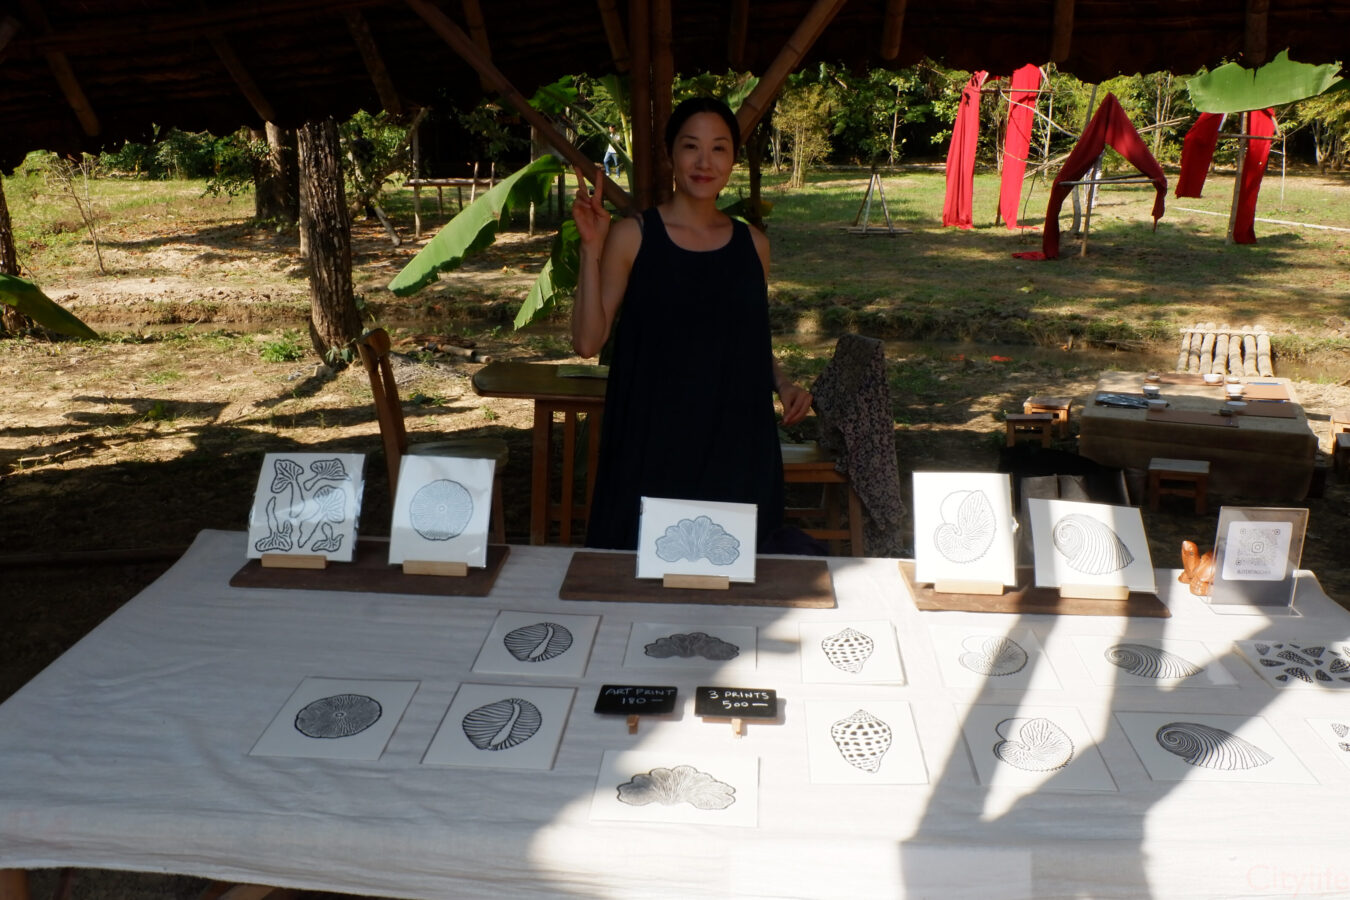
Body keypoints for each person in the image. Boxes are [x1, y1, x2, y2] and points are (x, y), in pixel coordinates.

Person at [571, 96, 812, 552]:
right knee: (640, 571)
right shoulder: (633, 236)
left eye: (719, 148)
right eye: (691, 146)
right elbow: (587, 342)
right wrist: (590, 248)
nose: (705, 162)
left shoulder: (753, 245)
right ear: (670, 155)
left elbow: (748, 339)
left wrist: (783, 383)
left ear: (733, 160)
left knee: (732, 572)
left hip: (736, 441)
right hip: (650, 441)